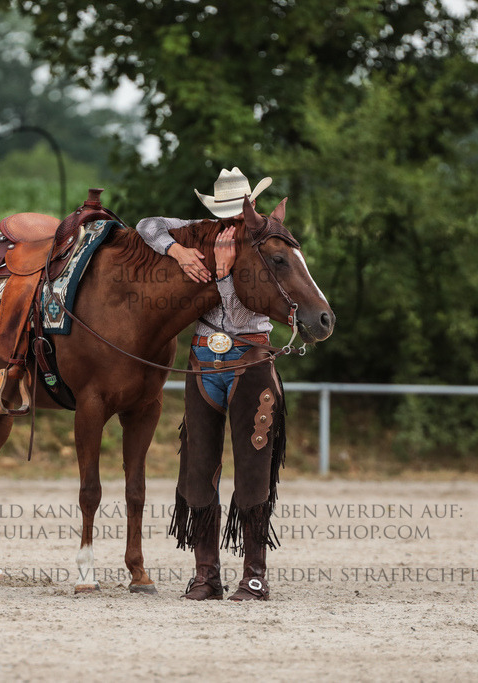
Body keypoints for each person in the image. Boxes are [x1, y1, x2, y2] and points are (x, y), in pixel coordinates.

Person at [136, 167, 286, 601]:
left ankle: (254, 575)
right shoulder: (201, 233)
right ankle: (206, 575)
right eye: (228, 212)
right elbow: (148, 225)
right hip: (203, 359)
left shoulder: (265, 243)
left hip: (250, 358)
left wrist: (222, 274)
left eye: (240, 210)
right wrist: (177, 253)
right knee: (199, 468)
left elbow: (241, 315)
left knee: (253, 469)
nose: (236, 219)